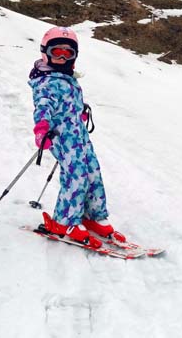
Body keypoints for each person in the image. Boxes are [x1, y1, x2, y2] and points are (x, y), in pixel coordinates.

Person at [28, 26, 125, 249]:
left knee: (92, 172)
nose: (62, 57)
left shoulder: (66, 76)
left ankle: (93, 215)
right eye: (57, 52)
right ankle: (64, 221)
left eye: (67, 53)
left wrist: (79, 111)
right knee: (76, 176)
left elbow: (70, 102)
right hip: (61, 137)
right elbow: (43, 107)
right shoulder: (45, 82)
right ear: (46, 52)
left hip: (79, 135)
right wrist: (41, 129)